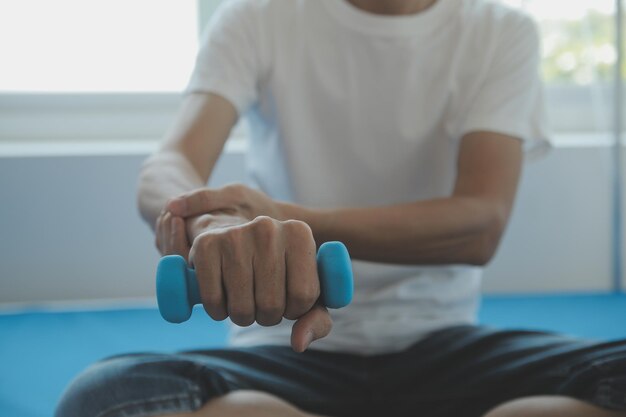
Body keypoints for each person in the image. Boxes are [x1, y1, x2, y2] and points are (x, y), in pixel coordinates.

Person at [55, 0, 626, 416]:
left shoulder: (501, 30)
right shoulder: (258, 16)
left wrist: (278, 219)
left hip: (442, 344)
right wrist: (211, 219)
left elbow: (479, 223)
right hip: (282, 354)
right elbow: (167, 166)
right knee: (104, 397)